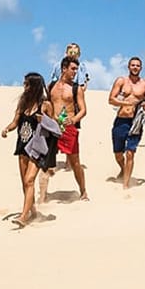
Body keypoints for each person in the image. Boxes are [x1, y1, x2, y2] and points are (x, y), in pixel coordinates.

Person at [1, 73, 55, 227]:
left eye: (27, 84)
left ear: (35, 86)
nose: (24, 87)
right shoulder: (23, 103)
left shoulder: (45, 105)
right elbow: (15, 122)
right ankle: (33, 211)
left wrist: (43, 120)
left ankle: (24, 216)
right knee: (24, 183)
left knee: (29, 180)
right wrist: (6, 129)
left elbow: (55, 126)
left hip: (37, 147)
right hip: (22, 145)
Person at [40, 56, 89, 202]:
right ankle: (42, 196)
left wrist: (73, 119)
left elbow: (83, 110)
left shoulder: (76, 88)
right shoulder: (51, 86)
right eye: (73, 69)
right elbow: (46, 104)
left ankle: (83, 191)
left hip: (68, 128)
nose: (75, 72)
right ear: (64, 69)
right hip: (52, 128)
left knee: (75, 163)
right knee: (45, 162)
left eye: (76, 69)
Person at [109, 57, 145, 189]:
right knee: (118, 153)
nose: (135, 67)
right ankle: (123, 168)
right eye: (133, 65)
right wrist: (125, 103)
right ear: (128, 67)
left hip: (135, 122)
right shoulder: (121, 81)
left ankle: (126, 184)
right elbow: (111, 99)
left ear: (141, 68)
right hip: (121, 120)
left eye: (137, 66)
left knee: (130, 153)